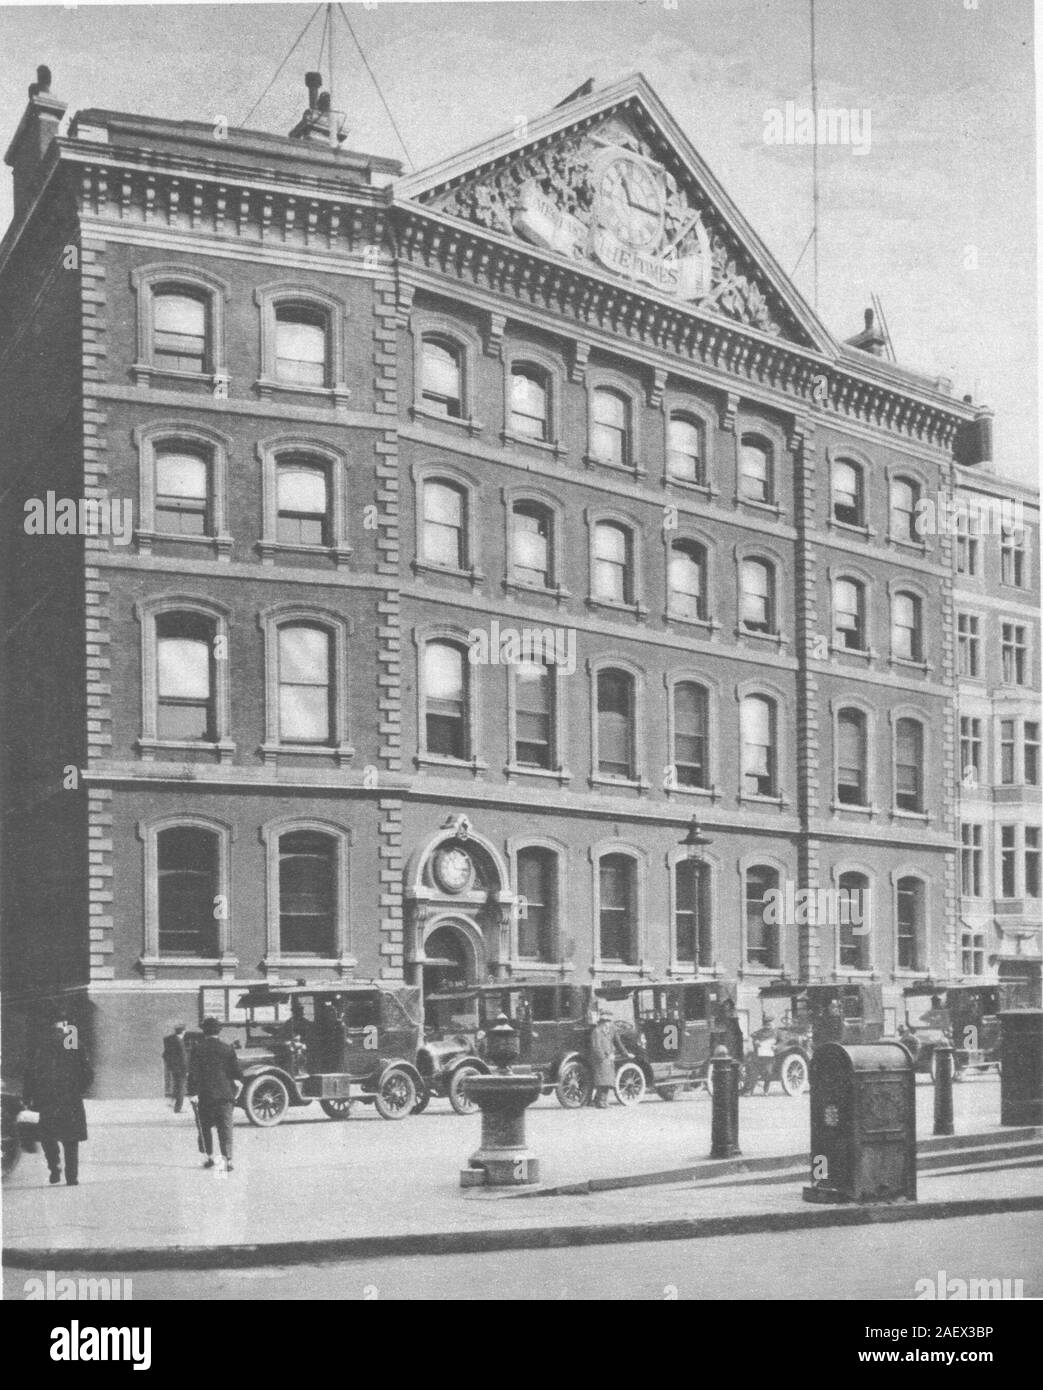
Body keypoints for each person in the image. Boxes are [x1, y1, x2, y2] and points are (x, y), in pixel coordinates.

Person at [23, 1006, 92, 1187]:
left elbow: (29, 1073)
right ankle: (72, 1177)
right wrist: (78, 1089)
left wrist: (27, 1096)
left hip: (45, 1098)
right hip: (70, 1098)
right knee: (71, 1139)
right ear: (64, 1024)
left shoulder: (39, 1044)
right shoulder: (73, 1041)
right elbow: (87, 1073)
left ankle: (54, 1167)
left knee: (48, 1135)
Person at [187, 1016, 243, 1171]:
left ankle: (209, 1158)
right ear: (219, 1031)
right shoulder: (227, 1048)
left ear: (204, 1031)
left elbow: (193, 1073)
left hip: (205, 1095)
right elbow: (237, 1073)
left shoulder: (197, 1049)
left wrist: (192, 1093)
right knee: (225, 1128)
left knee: (204, 1127)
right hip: (225, 1095)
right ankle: (228, 1160)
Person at [590, 1010, 618, 1109]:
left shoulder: (606, 1031)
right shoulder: (597, 1032)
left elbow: (610, 1044)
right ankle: (601, 1102)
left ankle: (602, 1101)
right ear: (602, 1022)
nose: (609, 1024)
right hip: (601, 1060)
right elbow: (596, 1047)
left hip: (608, 1059)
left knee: (607, 1081)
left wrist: (611, 1054)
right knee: (603, 1082)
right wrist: (603, 1057)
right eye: (607, 1021)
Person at [747, 1015, 777, 1095]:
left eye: (769, 1024)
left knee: (768, 1073)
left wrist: (776, 1046)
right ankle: (750, 1091)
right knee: (754, 1073)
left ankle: (765, 1091)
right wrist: (756, 1041)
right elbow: (753, 1037)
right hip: (759, 1057)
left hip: (769, 1058)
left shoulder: (776, 1032)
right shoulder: (759, 1032)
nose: (768, 1026)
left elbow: (782, 1042)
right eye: (766, 1024)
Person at [162, 1023, 189, 1113]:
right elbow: (183, 1058)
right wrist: (186, 1070)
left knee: (176, 1086)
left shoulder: (171, 1040)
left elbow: (165, 1055)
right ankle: (178, 1108)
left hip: (174, 1069)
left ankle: (172, 1102)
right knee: (181, 1087)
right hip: (181, 1069)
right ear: (183, 1031)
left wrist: (171, 1065)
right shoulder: (179, 1041)